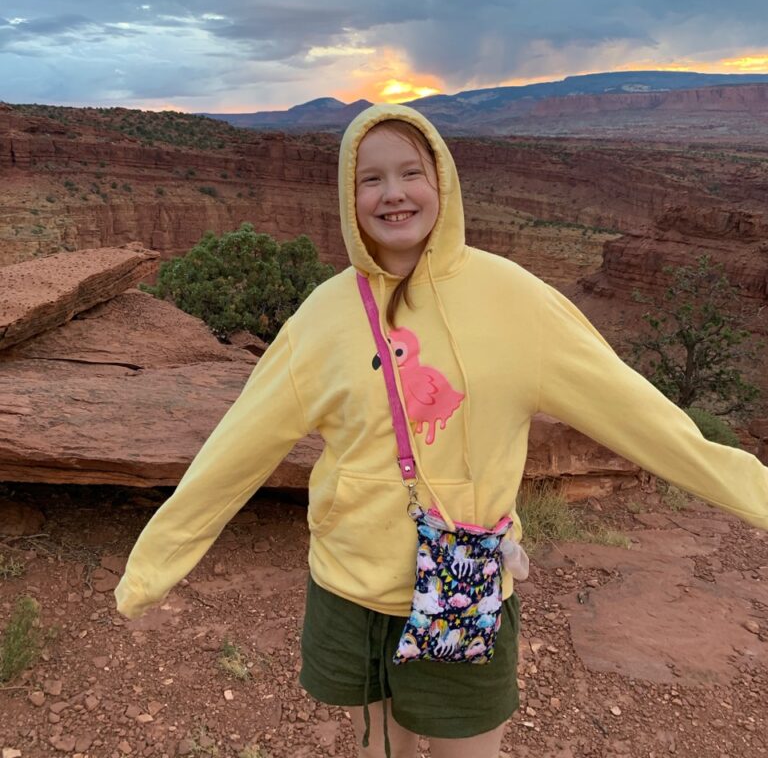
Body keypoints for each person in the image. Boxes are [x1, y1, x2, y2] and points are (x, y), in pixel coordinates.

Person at [115, 103, 768, 758]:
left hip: (466, 581)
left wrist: (752, 491)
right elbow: (240, 446)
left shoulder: (515, 300)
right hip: (353, 587)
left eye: (410, 173)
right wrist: (156, 564)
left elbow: (641, 416)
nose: (393, 193)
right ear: (349, 195)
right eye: (370, 179)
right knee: (380, 748)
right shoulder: (324, 317)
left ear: (443, 181)